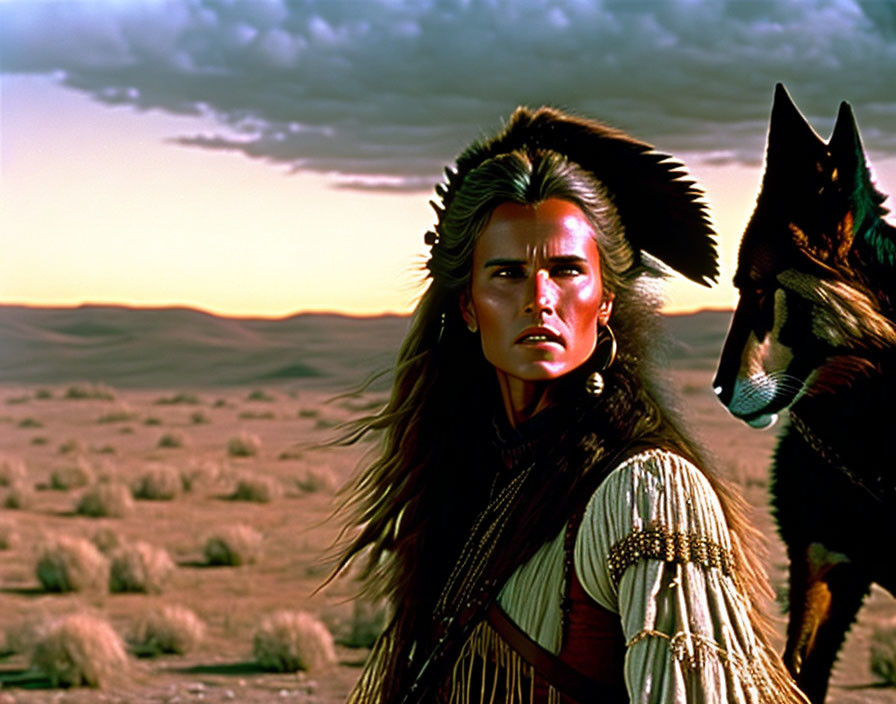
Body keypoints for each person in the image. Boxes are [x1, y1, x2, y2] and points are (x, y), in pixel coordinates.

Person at [332, 106, 808, 703]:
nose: (539, 299)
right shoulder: (478, 482)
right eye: (507, 273)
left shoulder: (645, 492)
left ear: (604, 300)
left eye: (566, 270)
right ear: (468, 306)